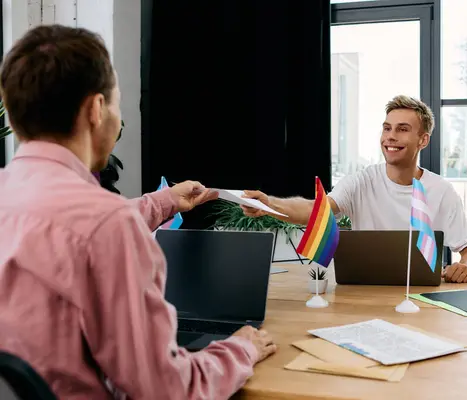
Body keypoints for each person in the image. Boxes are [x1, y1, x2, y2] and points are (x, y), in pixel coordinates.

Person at [0, 25, 275, 400]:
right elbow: (165, 389)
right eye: (116, 102)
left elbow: (65, 225)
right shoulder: (107, 224)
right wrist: (241, 349)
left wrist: (163, 201)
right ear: (97, 110)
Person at [242, 95, 467, 284]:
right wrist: (269, 204)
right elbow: (316, 210)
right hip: (364, 292)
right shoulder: (361, 181)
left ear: (423, 140)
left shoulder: (441, 191)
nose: (390, 137)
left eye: (402, 129)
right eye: (387, 128)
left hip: (421, 297)